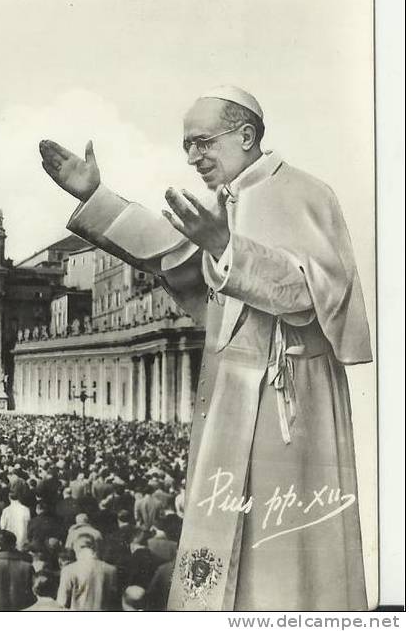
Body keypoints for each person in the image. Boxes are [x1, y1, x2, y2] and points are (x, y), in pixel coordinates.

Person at [39, 85, 371, 611]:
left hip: (289, 404)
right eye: (186, 146)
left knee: (283, 558)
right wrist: (95, 199)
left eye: (202, 142)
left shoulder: (308, 194)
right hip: (229, 400)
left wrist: (225, 246)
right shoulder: (228, 202)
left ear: (246, 135)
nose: (193, 157)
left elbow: (313, 296)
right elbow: (177, 256)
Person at [56, 536, 119, 611]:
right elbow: (114, 601)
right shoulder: (111, 570)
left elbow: (61, 602)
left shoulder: (68, 570)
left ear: (76, 549)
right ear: (95, 548)